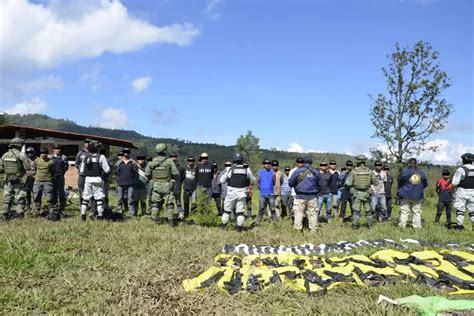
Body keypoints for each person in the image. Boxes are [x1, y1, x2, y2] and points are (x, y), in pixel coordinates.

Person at [220, 153, 256, 232]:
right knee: (240, 212)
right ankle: (239, 229)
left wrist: (228, 180)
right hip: (242, 194)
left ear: (234, 160)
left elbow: (221, 181)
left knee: (227, 211)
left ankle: (223, 227)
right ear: (242, 160)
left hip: (231, 194)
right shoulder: (247, 169)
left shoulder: (230, 169)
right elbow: (253, 180)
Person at [145, 143, 179, 225]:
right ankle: (171, 222)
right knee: (169, 205)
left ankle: (154, 220)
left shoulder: (152, 161)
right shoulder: (169, 161)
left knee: (155, 204)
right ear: (165, 151)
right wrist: (173, 179)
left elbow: (146, 174)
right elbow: (176, 174)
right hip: (167, 186)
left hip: (156, 186)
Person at [345, 154, 379, 229]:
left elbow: (348, 183)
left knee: (356, 211)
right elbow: (376, 183)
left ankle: (355, 226)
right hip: (367, 193)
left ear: (357, 162)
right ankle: (370, 226)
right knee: (368, 211)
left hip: (357, 194)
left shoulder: (354, 172)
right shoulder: (370, 171)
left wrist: (349, 188)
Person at [288, 156, 321, 232]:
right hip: (313, 196)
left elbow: (290, 183)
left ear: (303, 162)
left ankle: (297, 230)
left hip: (300, 196)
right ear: (311, 163)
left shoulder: (297, 171)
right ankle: (313, 231)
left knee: (299, 214)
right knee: (312, 214)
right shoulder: (316, 172)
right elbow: (320, 184)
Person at [0, 138, 30, 220]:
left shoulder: (4, 155)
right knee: (20, 198)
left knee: (7, 198)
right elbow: (28, 168)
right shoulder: (21, 155)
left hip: (8, 181)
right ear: (19, 146)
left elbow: (1, 169)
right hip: (19, 181)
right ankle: (19, 215)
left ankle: (4, 215)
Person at [80, 141, 110, 221]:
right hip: (97, 179)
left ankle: (83, 217)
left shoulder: (85, 157)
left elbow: (81, 170)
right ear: (98, 149)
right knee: (99, 199)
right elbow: (107, 170)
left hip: (87, 179)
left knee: (85, 199)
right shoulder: (101, 157)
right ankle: (100, 217)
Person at [397, 158, 428, 229]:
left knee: (404, 211)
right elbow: (425, 184)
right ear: (416, 164)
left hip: (405, 194)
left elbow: (399, 181)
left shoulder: (404, 171)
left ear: (408, 164)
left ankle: (402, 226)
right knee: (416, 212)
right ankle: (417, 227)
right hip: (417, 195)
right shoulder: (421, 172)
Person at [451, 153, 474, 230]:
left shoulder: (461, 169)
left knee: (460, 209)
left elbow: (454, 183)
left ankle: (459, 226)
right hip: (473, 192)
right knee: (472, 210)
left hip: (462, 191)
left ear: (464, 160)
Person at [116, 148, 137, 217]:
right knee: (119, 199)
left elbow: (137, 170)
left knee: (130, 199)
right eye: (125, 152)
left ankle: (132, 214)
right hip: (120, 183)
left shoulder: (132, 162)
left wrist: (135, 163)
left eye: (127, 151)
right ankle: (119, 213)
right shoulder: (119, 162)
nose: (126, 153)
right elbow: (115, 171)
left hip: (130, 183)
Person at [51, 144, 69, 215]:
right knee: (53, 192)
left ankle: (62, 206)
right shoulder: (51, 158)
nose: (57, 150)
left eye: (59, 149)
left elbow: (66, 166)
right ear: (54, 150)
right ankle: (54, 206)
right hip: (53, 178)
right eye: (56, 149)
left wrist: (62, 173)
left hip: (60, 177)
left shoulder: (64, 157)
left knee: (61, 192)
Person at [75, 139, 90, 206]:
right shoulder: (80, 153)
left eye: (89, 143)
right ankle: (82, 205)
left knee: (90, 190)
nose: (88, 144)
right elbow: (77, 163)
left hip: (91, 175)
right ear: (84, 144)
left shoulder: (93, 152)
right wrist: (81, 169)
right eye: (86, 143)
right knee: (81, 190)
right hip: (82, 175)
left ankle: (90, 205)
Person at [25, 147, 37, 211]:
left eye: (31, 152)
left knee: (35, 193)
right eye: (28, 152)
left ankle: (35, 207)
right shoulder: (25, 159)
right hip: (27, 179)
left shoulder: (37, 159)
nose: (29, 154)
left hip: (35, 179)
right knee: (27, 193)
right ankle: (27, 206)